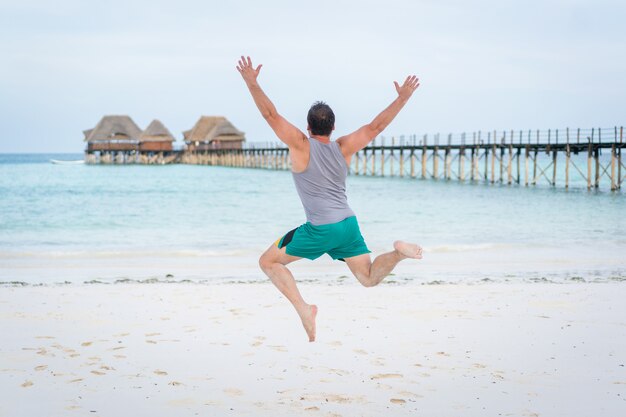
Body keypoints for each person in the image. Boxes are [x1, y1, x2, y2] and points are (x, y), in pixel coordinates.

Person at [236, 56, 422, 342]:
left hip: (320, 228)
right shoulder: (343, 147)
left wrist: (252, 83)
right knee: (369, 278)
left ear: (308, 128)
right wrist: (404, 98)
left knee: (268, 262)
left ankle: (304, 309)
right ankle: (398, 252)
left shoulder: (300, 145)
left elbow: (270, 116)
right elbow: (375, 128)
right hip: (347, 224)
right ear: (333, 128)